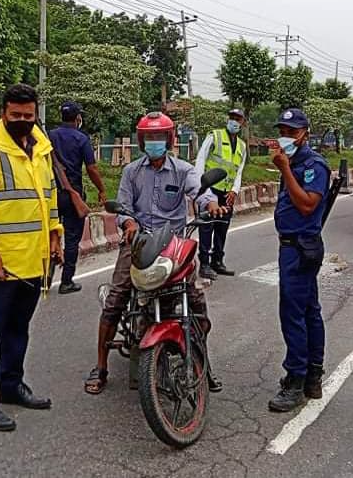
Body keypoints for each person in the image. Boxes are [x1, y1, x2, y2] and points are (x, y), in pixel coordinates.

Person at [84, 111, 225, 395]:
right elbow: (123, 206)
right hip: (138, 244)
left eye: (159, 137)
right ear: (141, 141)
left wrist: (210, 205)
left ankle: (203, 362)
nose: (154, 142)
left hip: (173, 245)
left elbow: (200, 191)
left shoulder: (183, 170)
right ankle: (100, 367)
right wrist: (130, 222)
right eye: (149, 137)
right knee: (116, 299)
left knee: (195, 300)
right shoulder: (131, 171)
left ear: (169, 139)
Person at [0, 83, 64, 432]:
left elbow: (48, 198)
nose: (22, 120)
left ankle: (10, 386)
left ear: (36, 115)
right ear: (3, 114)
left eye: (28, 115)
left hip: (33, 261)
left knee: (18, 329)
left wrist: (55, 236)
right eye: (15, 115)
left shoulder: (40, 150)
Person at [267, 108, 331, 413]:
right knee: (308, 310)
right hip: (292, 246)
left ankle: (297, 379)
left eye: (292, 131)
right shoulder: (292, 161)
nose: (286, 136)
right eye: (283, 130)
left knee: (293, 313)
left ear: (305, 132)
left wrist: (284, 170)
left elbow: (307, 205)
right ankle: (312, 376)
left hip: (301, 247)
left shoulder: (313, 165)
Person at [47, 101, 107, 294]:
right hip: (73, 195)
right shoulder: (81, 138)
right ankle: (66, 281)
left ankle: (44, 279)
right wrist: (102, 190)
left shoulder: (49, 136)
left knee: (50, 235)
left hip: (50, 195)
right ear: (78, 118)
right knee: (72, 239)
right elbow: (91, 168)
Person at [194, 108, 248, 279]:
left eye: (238, 119)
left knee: (222, 228)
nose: (234, 121)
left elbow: (238, 170)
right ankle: (204, 263)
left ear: (243, 123)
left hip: (227, 193)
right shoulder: (215, 136)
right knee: (206, 227)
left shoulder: (242, 145)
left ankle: (217, 261)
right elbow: (201, 160)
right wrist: (202, 189)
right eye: (232, 118)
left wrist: (234, 190)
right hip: (210, 188)